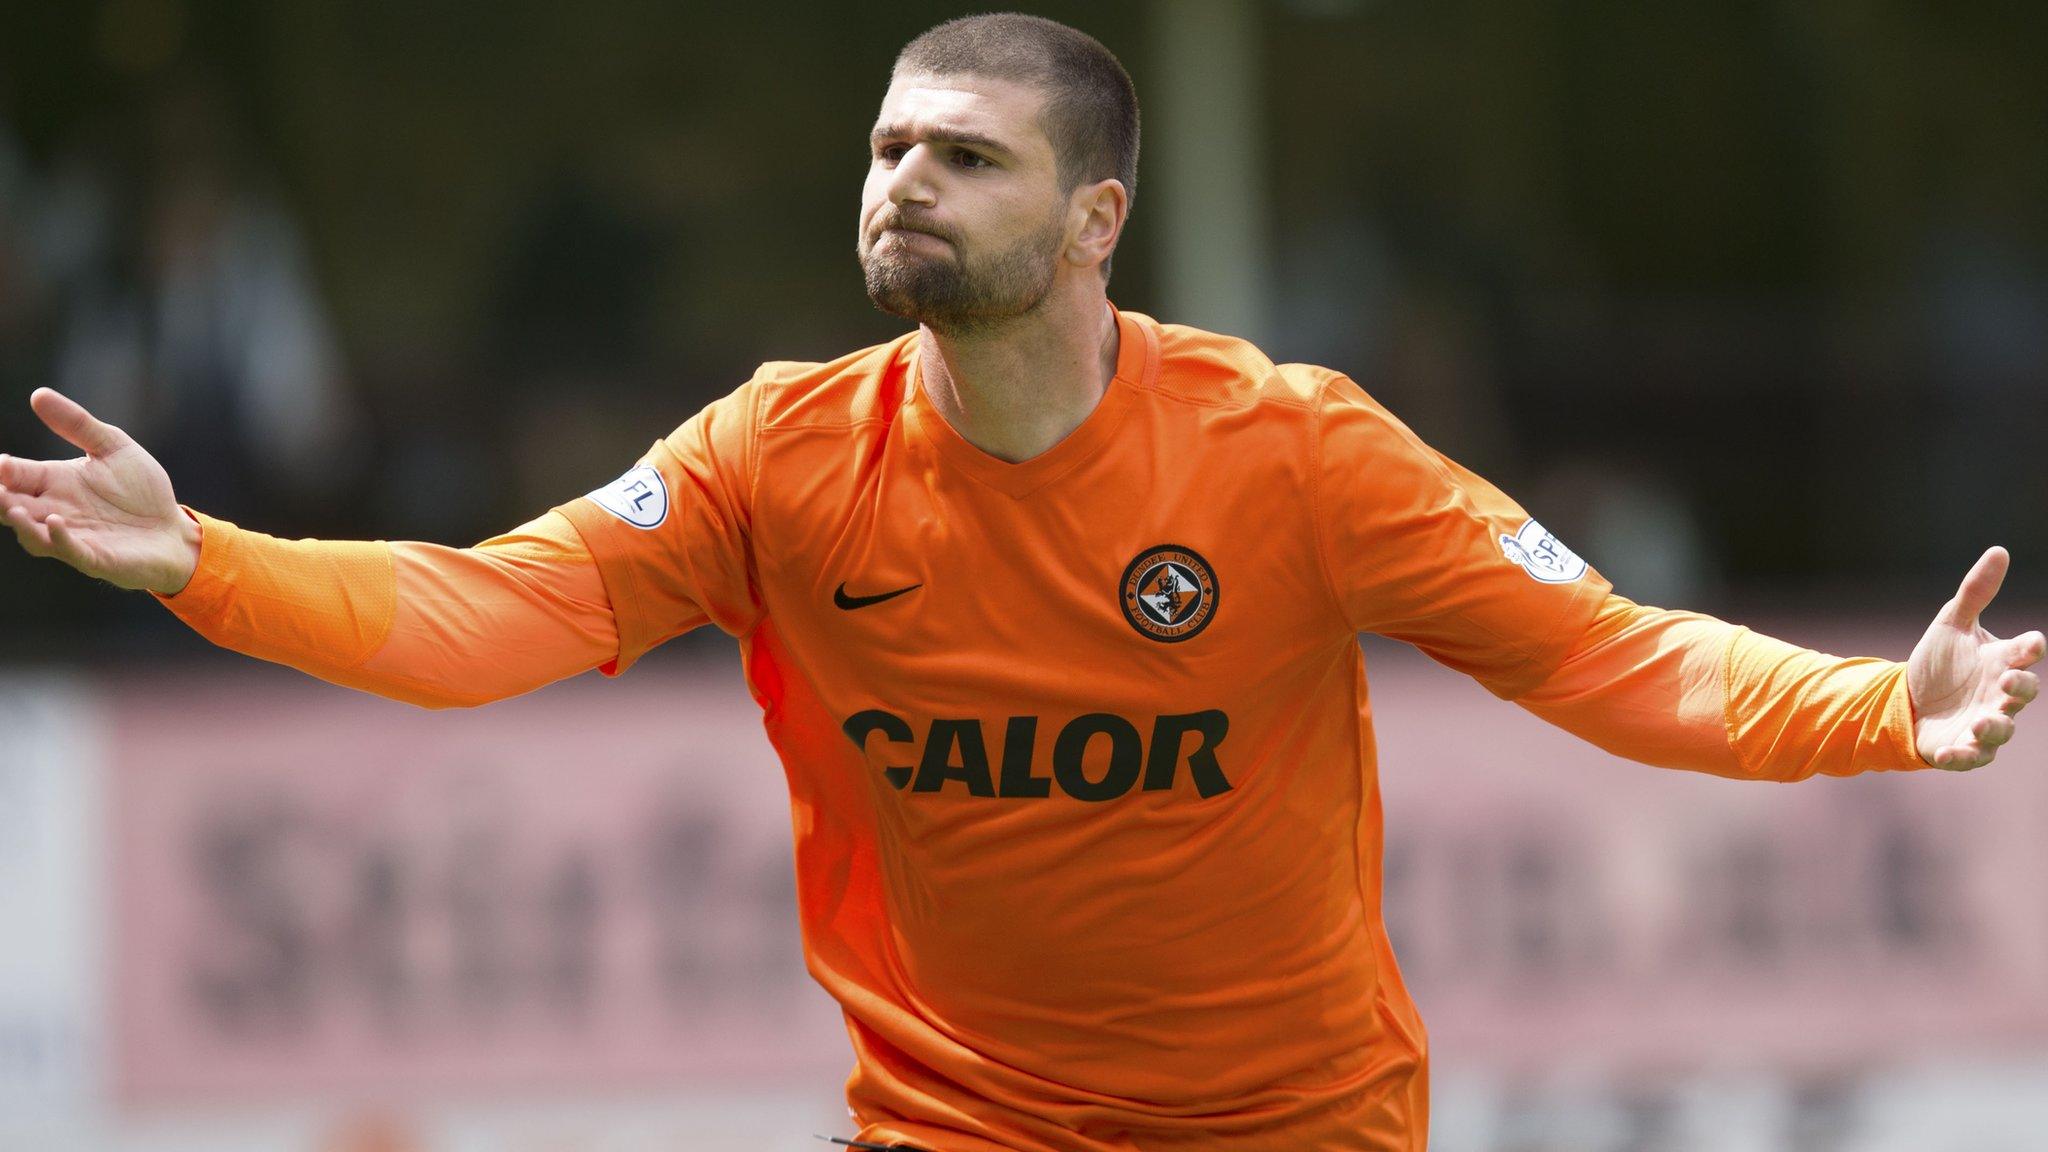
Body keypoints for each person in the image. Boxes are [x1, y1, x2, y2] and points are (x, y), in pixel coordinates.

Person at [1, 14, 2040, 1152]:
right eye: (888, 146)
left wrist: (1882, 707)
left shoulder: (1289, 449)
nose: (900, 180)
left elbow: (1611, 663)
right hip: (955, 1133)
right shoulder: (776, 457)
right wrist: (212, 565)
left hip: (1297, 1134)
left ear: (1095, 220)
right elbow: (481, 620)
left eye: (960, 156)